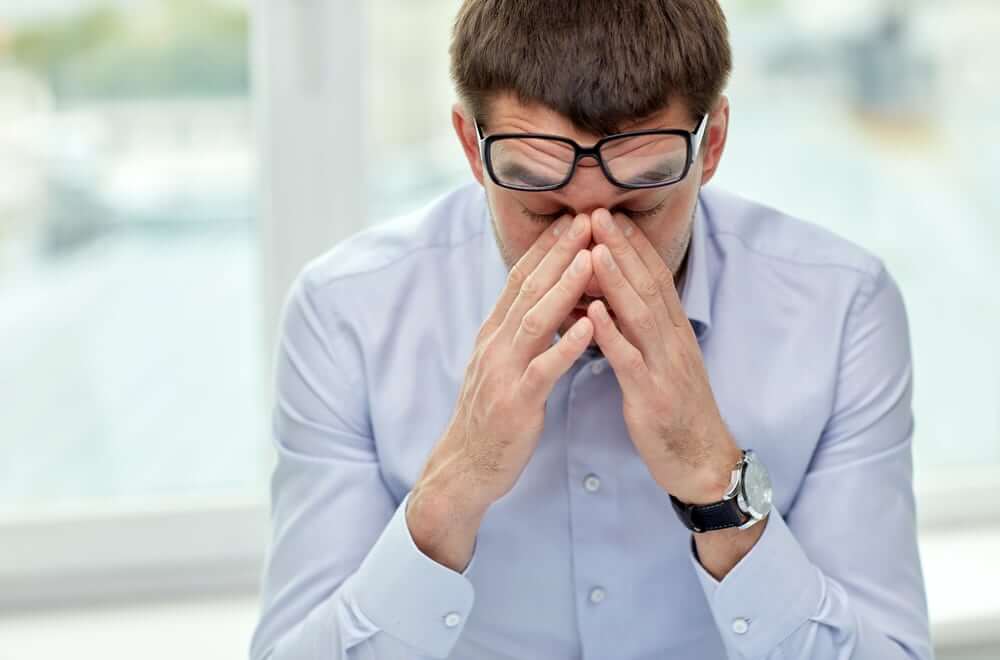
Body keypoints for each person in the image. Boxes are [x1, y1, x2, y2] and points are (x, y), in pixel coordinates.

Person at [249, 1, 933, 658]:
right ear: (469, 144)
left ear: (713, 144)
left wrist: (714, 479)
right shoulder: (346, 313)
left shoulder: (841, 308)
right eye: (543, 208)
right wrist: (456, 485)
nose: (590, 250)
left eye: (638, 206)